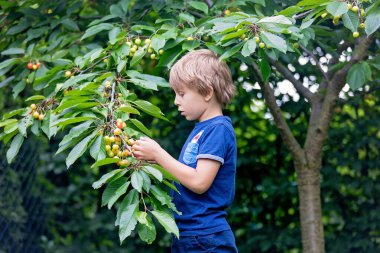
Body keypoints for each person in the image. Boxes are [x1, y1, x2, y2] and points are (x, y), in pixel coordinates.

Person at [132, 49, 238, 252]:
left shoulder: (218, 130)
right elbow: (185, 174)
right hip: (189, 234)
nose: (176, 101)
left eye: (181, 94)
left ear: (207, 92)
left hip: (206, 236)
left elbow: (199, 182)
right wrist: (153, 160)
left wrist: (159, 154)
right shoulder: (202, 129)